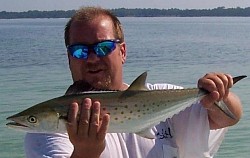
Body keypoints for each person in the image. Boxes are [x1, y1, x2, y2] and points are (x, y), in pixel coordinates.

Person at [24, 6, 243, 158]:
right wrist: (85, 153)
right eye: (80, 51)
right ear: (69, 58)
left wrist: (219, 93)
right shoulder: (46, 133)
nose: (91, 58)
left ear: (123, 51)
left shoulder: (160, 96)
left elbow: (228, 117)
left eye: (103, 48)